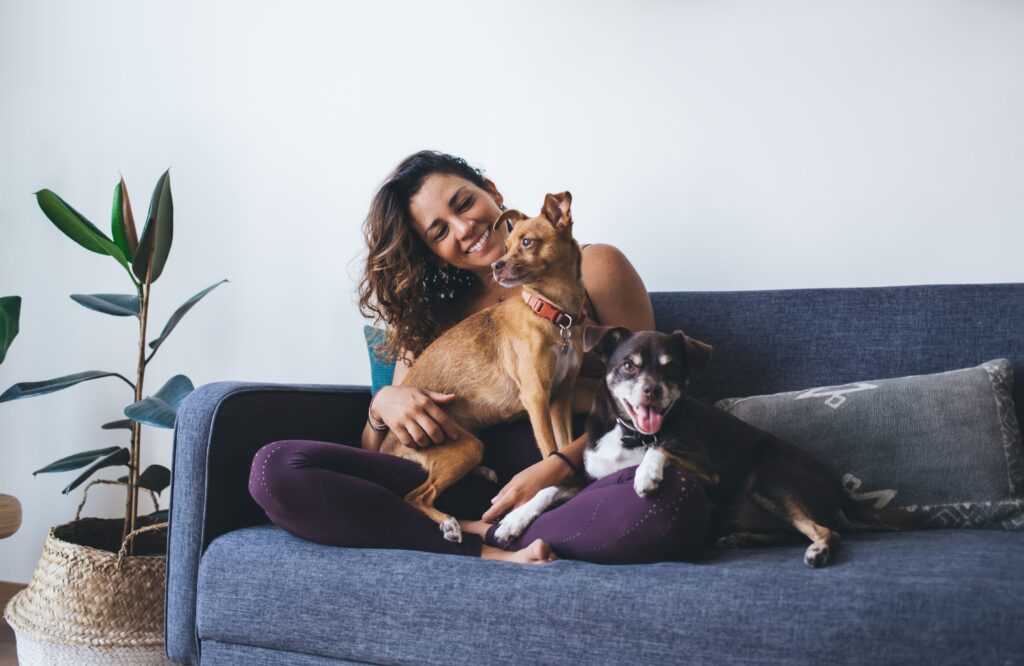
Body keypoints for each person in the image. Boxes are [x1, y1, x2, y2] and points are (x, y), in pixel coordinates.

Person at [249, 150, 709, 564]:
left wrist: (555, 469)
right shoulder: (431, 322)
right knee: (275, 470)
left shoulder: (594, 268)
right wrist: (381, 405)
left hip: (557, 492)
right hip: (451, 479)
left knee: (673, 499)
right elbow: (380, 458)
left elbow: (651, 400)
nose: (464, 228)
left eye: (464, 204)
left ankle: (465, 535)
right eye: (440, 231)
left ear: (493, 193)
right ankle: (480, 543)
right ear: (437, 256)